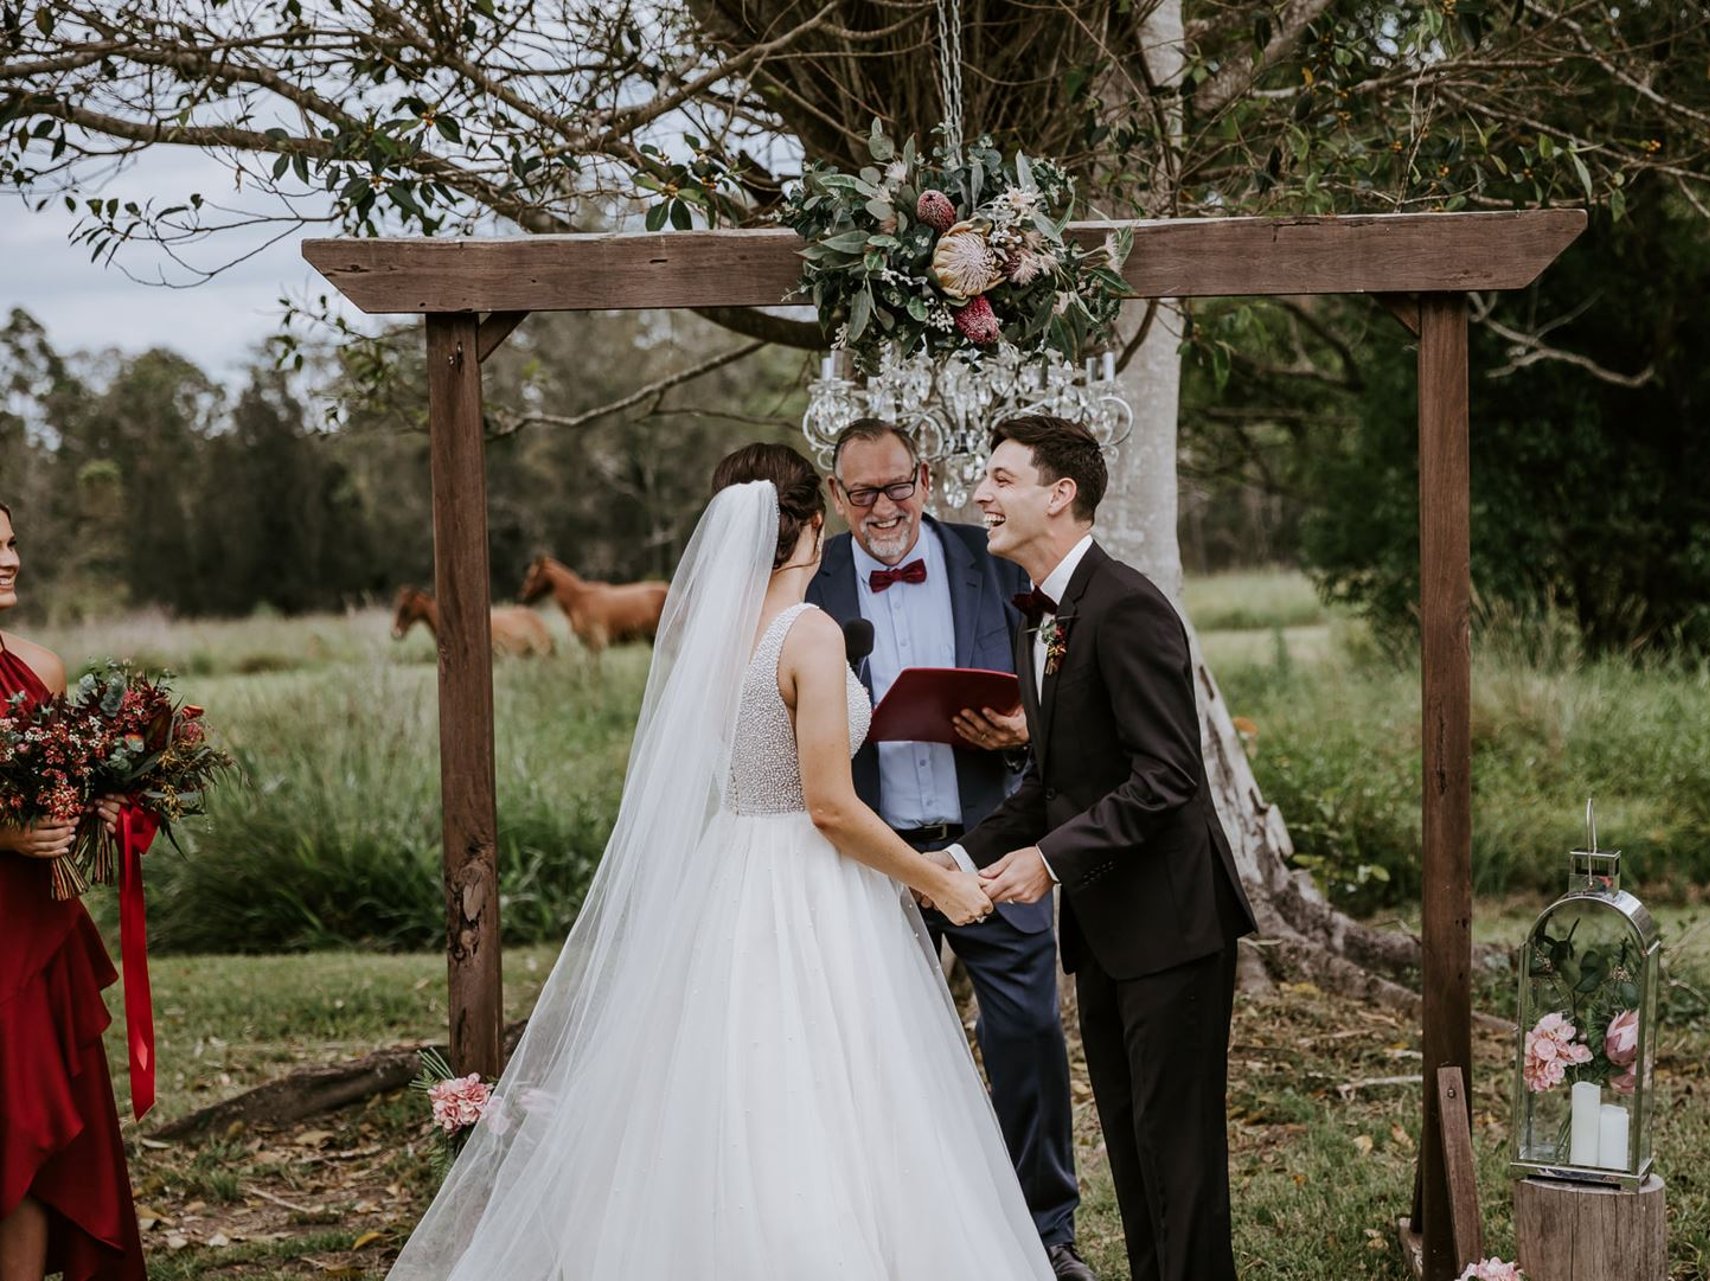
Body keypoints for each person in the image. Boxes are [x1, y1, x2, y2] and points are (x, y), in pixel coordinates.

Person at [387, 444, 1055, 1280]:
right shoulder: (808, 634)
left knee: (739, 1079)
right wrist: (938, 883)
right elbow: (829, 806)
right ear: (815, 522)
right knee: (831, 1081)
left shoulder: (714, 638)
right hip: (808, 878)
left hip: (733, 869)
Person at [950, 417, 1258, 1281]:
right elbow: (1052, 785)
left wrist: (1050, 861)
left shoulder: (1127, 606)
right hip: (1105, 931)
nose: (981, 493)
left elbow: (1169, 776)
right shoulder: (1040, 619)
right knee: (1130, 1146)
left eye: (1002, 478)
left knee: (1179, 1160)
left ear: (1060, 495)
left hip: (1173, 928)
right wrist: (957, 861)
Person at [805, 418, 1090, 1280]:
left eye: (898, 485)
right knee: (874, 1049)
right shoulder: (810, 585)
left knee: (1028, 1030)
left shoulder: (994, 560)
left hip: (990, 841)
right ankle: (894, 1232)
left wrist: (1025, 728)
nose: (884, 506)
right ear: (837, 496)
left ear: (925, 479)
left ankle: (1047, 1231)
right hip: (872, 858)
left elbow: (1063, 683)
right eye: (863, 492)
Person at [0, 501, 149, 1281]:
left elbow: (58, 785)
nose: (10, 560)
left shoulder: (42, 667)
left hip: (37, 929)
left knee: (28, 1136)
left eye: (11, 542)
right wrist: (4, 836)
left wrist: (102, 805)